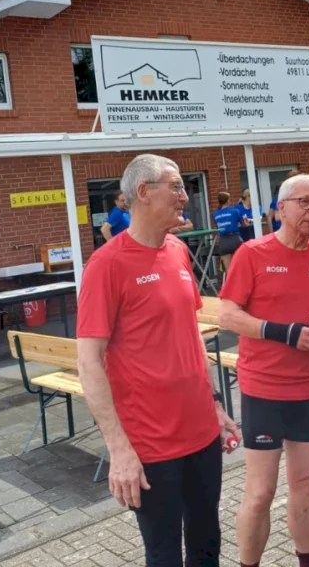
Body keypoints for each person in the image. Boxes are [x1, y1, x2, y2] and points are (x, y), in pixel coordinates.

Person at [77, 154, 240, 567]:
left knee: (207, 542)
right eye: (177, 186)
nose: (186, 196)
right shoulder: (106, 265)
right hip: (151, 443)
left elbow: (188, 337)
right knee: (164, 553)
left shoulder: (177, 252)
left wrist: (215, 403)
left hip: (201, 432)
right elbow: (89, 362)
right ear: (143, 193)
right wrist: (119, 449)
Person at [219, 174, 309, 567]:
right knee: (260, 491)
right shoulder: (252, 253)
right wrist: (285, 333)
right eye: (305, 202)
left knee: (306, 484)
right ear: (281, 208)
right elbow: (228, 314)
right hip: (264, 390)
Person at [213, 192, 245, 271]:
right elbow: (245, 224)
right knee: (241, 267)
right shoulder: (235, 211)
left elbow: (217, 227)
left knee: (230, 271)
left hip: (223, 241)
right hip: (235, 239)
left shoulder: (215, 214)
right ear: (227, 201)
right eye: (230, 199)